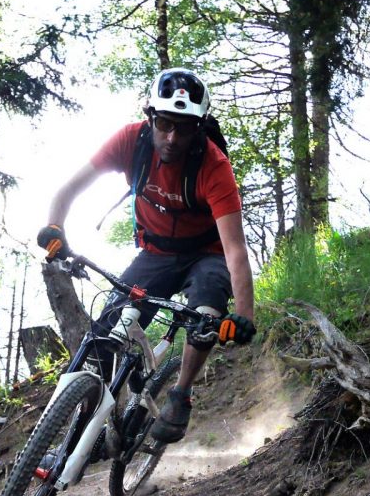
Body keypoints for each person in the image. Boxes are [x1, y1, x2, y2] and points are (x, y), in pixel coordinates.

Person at [37, 68, 256, 444]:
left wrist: (244, 316)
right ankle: (88, 426)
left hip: (207, 254)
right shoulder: (131, 141)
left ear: (199, 128)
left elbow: (235, 249)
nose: (172, 137)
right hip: (155, 253)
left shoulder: (213, 165)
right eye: (164, 123)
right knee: (105, 330)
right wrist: (54, 228)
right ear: (150, 115)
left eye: (183, 128)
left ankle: (181, 392)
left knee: (205, 317)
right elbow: (69, 188)